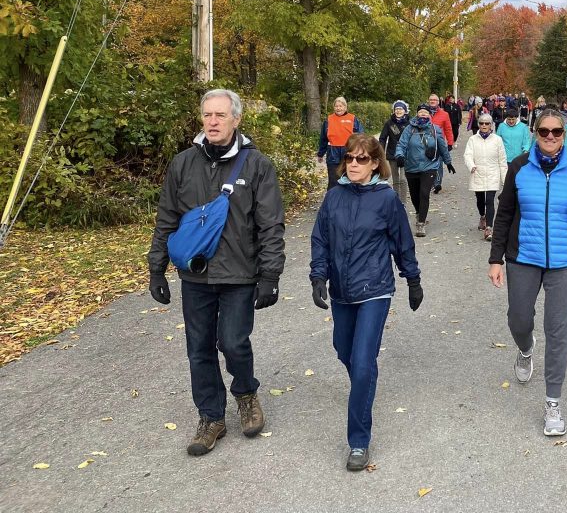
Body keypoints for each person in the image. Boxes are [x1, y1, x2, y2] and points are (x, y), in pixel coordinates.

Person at [147, 89, 286, 457]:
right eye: (207, 115)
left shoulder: (257, 166)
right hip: (195, 276)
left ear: (236, 120)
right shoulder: (182, 164)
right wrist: (156, 268)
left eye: (220, 115)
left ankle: (245, 392)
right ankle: (211, 416)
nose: (212, 121)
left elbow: (271, 225)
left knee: (234, 342)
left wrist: (270, 276)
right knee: (198, 349)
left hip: (240, 274)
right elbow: (167, 219)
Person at [310, 134, 422, 471]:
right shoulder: (333, 197)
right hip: (342, 291)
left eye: (362, 159)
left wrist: (412, 280)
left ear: (375, 163)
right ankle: (364, 381)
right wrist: (318, 277)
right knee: (344, 351)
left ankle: (359, 442)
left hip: (375, 289)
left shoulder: (386, 200)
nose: (354, 164)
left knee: (361, 362)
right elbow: (320, 239)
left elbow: (403, 243)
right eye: (350, 159)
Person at [488, 109, 567, 437]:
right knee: (518, 319)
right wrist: (496, 258)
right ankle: (525, 349)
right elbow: (505, 213)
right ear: (535, 133)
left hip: (564, 262)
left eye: (557, 132)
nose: (550, 137)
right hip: (523, 257)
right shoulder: (520, 167)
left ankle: (553, 402)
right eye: (544, 131)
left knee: (558, 330)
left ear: (565, 136)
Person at [395, 104, 455, 237]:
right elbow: (402, 144)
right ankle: (418, 213)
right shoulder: (409, 129)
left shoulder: (435, 129)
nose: (423, 114)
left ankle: (421, 223)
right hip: (411, 167)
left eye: (425, 112)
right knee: (415, 196)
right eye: (420, 112)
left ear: (429, 115)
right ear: (417, 114)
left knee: (424, 193)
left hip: (430, 167)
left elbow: (442, 146)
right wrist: (399, 155)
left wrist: (448, 161)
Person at [463, 113, 508, 240]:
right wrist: (471, 165)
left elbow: (502, 160)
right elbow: (467, 155)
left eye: (487, 123)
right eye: (482, 123)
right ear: (478, 125)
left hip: (493, 173)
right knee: (480, 200)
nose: (484, 125)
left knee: (490, 200)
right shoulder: (473, 139)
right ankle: (482, 216)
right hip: (478, 172)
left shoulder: (497, 140)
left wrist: (505, 179)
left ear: (491, 125)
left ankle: (489, 228)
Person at [317, 97, 364, 189]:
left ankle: (351, 200)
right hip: (332, 153)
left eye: (340, 106)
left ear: (345, 107)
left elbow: (361, 136)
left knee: (350, 178)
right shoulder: (328, 120)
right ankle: (333, 200)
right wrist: (320, 154)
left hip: (348, 152)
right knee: (333, 180)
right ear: (334, 107)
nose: (338, 108)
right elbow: (323, 139)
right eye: (336, 106)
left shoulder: (353, 119)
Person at [378, 100, 410, 202]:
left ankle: (403, 201)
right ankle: (397, 200)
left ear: (405, 111)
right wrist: (381, 150)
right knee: (396, 179)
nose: (398, 111)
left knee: (403, 179)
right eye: (396, 109)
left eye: (400, 109)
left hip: (406, 154)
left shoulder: (410, 123)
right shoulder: (389, 123)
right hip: (392, 154)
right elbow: (382, 138)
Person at [427, 93, 455, 193]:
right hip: (426, 143)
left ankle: (437, 183)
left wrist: (450, 142)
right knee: (428, 164)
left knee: (438, 164)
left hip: (439, 143)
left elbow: (448, 129)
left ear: (438, 102)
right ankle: (429, 183)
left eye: (434, 100)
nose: (432, 101)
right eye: (431, 100)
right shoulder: (424, 113)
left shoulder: (444, 114)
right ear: (428, 101)